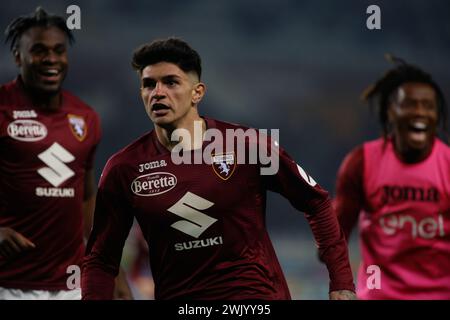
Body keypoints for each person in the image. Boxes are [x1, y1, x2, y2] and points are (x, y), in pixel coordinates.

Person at [82, 37, 356, 300]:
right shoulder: (124, 169)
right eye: (148, 84)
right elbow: (101, 259)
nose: (158, 93)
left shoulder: (248, 145)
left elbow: (316, 202)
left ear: (197, 92)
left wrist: (341, 283)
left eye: (171, 82)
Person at [0, 7, 131, 300]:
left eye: (59, 50)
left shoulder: (84, 117)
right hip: (7, 284)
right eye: (38, 50)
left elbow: (86, 200)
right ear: (18, 57)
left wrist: (114, 273)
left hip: (69, 288)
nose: (50, 59)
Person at [334, 56, 450, 299]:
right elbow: (335, 237)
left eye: (428, 106)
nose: (419, 112)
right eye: (409, 104)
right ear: (390, 112)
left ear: (437, 116)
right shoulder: (361, 163)